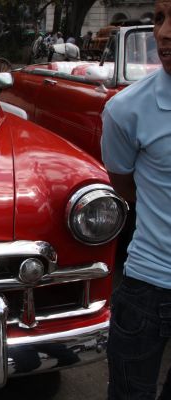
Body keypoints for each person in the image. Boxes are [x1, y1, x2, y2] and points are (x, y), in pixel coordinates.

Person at [100, 0, 171, 398]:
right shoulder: (126, 109)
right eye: (159, 18)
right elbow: (125, 188)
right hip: (149, 289)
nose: (163, 33)